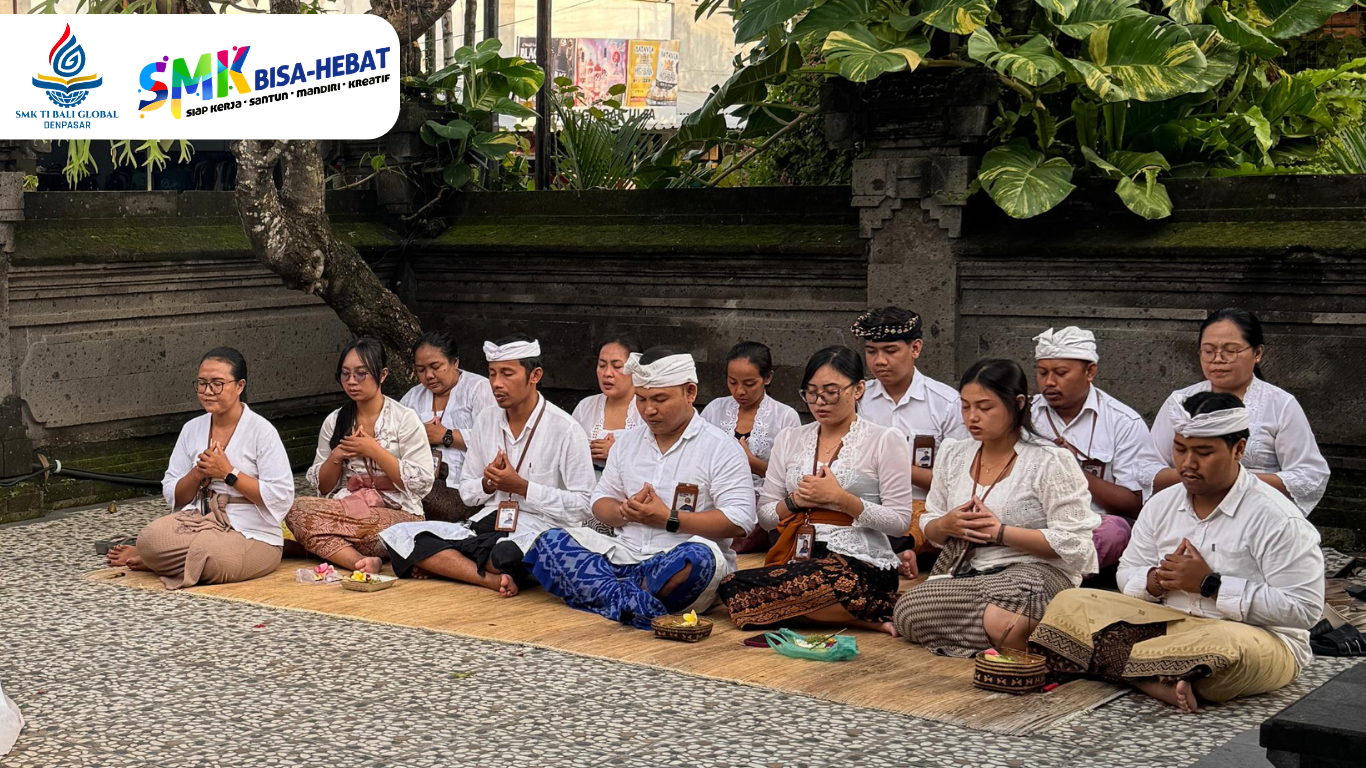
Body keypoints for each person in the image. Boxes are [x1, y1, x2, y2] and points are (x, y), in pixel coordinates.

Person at [1030, 393, 1324, 713]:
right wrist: (1156, 581)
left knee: (1227, 652)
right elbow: (1128, 572)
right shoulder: (1161, 504)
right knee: (1071, 603)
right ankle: (1156, 678)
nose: (1187, 464)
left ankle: (1120, 668)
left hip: (1251, 636)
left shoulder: (1278, 518)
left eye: (1204, 452)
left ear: (1238, 449)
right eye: (1180, 449)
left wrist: (1210, 585)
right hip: (1167, 624)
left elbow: (1304, 609)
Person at [523, 347, 757, 628]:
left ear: (690, 392)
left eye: (660, 399)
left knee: (700, 560)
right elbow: (599, 502)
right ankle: (635, 599)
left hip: (674, 560)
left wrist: (668, 519)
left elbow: (740, 521)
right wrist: (624, 511)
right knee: (550, 542)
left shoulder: (721, 448)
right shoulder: (626, 443)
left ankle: (609, 594)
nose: (648, 410)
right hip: (624, 555)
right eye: (641, 399)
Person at [893, 358, 1100, 656]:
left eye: (985, 407)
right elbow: (932, 524)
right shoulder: (955, 454)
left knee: (1022, 594)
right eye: (966, 406)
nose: (972, 417)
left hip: (1035, 576)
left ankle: (1016, 630)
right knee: (909, 610)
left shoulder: (1050, 460)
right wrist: (947, 524)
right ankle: (1016, 632)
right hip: (972, 576)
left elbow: (1076, 543)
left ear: (1018, 403)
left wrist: (1000, 533)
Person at [718, 346, 913, 635]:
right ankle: (859, 616)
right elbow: (767, 517)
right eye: (811, 393)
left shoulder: (884, 439)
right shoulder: (790, 438)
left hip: (858, 561)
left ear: (858, 389)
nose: (819, 402)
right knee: (732, 586)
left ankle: (817, 609)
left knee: (832, 582)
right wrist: (794, 501)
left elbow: (900, 523)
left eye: (831, 392)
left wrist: (841, 499)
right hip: (801, 559)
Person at [380, 335, 595, 596]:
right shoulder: (486, 420)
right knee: (401, 536)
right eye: (492, 374)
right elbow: (467, 493)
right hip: (489, 521)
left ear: (535, 375)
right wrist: (488, 483)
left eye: (507, 374)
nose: (496, 383)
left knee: (508, 554)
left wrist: (523, 487)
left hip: (540, 527)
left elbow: (585, 505)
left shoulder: (565, 428)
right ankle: (488, 579)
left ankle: (449, 565)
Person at [106, 348, 294, 590]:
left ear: (239, 386)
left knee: (218, 560)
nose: (207, 391)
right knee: (149, 539)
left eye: (217, 384)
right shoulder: (192, 429)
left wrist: (228, 473)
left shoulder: (262, 431)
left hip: (252, 532)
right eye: (202, 383)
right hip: (201, 521)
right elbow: (174, 494)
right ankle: (166, 559)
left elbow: (281, 496)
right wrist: (198, 473)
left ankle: (161, 562)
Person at [1150, 308, 1329, 516]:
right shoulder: (1179, 402)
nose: (1218, 359)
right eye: (1208, 351)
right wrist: (1199, 478)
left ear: (1257, 353)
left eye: (1231, 350)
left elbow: (1309, 476)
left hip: (1259, 514)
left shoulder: (1280, 404)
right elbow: (1148, 468)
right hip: (1187, 511)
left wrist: (1233, 480)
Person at [286, 338, 435, 574]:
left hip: (399, 520)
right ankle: (362, 562)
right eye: (345, 374)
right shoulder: (335, 420)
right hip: (349, 513)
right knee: (295, 509)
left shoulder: (404, 419)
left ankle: (331, 548)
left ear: (383, 375)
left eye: (361, 374)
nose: (352, 381)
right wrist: (337, 455)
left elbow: (421, 483)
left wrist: (373, 450)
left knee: (312, 522)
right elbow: (324, 487)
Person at [1031, 327, 1165, 569]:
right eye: (1042, 373)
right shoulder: (1025, 415)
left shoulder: (1123, 421)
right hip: (1034, 521)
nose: (1049, 382)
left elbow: (1134, 504)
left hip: (1093, 525)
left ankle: (1048, 573)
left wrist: (1072, 469)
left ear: (1090, 371)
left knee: (1115, 532)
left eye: (1061, 373)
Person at [852, 307, 970, 578]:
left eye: (890, 351)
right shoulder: (857, 398)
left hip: (921, 507)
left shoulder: (946, 403)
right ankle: (893, 556)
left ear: (915, 348)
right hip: (863, 504)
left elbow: (958, 483)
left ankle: (896, 553)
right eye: (871, 351)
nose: (880, 361)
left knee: (924, 524)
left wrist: (896, 468)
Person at [701, 341, 801, 553]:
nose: (739, 391)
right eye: (732, 382)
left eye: (749, 383)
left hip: (759, 500)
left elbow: (791, 479)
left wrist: (751, 463)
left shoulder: (785, 417)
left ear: (767, 378)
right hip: (714, 494)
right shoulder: (714, 409)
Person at [400, 331, 496, 497]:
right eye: (421, 370)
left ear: (455, 362)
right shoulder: (413, 397)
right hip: (419, 488)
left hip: (469, 491)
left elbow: (493, 440)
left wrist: (446, 436)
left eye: (436, 367)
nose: (429, 375)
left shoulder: (479, 389)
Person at [571, 336, 643, 477]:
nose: (607, 373)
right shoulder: (586, 407)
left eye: (617, 366)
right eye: (602, 365)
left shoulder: (646, 411)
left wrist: (616, 453)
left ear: (635, 369)